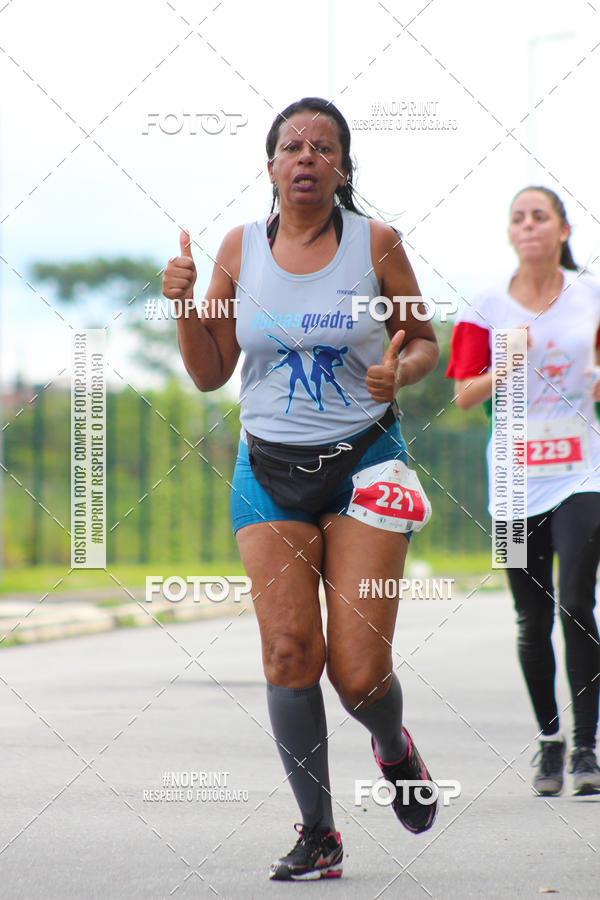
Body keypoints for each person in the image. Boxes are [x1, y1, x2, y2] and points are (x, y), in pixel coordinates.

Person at [163, 97, 439, 880]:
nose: (307, 157)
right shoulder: (237, 249)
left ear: (343, 168)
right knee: (289, 653)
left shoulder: (376, 244)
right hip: (266, 468)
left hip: (366, 467)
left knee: (358, 676)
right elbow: (212, 369)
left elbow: (422, 339)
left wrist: (401, 369)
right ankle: (318, 832)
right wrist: (183, 304)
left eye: (324, 147)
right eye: (293, 146)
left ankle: (393, 746)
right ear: (273, 165)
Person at [446, 186, 600, 797]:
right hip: (511, 480)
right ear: (509, 233)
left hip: (582, 470)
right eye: (518, 218)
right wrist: (504, 365)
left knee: (575, 603)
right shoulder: (486, 305)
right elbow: (461, 394)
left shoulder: (591, 296)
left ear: (563, 230)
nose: (529, 225)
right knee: (530, 620)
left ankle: (588, 748)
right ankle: (550, 743)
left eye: (541, 216)